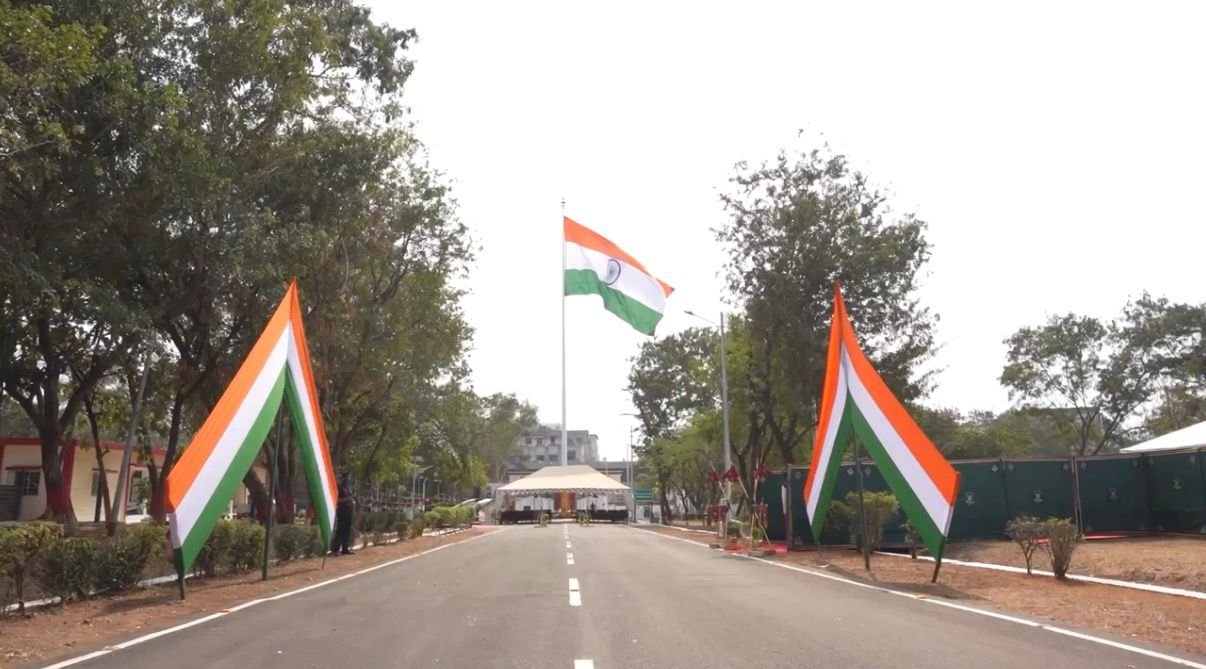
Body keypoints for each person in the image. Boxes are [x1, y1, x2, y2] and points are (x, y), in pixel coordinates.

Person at [331, 487, 355, 556]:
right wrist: (347, 499)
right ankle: (336, 550)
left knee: (347, 531)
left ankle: (345, 549)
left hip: (348, 512)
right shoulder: (338, 488)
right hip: (342, 512)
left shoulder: (348, 488)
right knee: (340, 531)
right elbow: (337, 500)